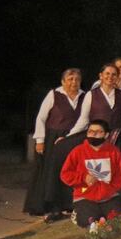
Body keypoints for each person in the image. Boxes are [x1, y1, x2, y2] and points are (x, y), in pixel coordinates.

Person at [25, 68, 84, 219]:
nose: (74, 82)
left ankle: (68, 205)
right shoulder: (54, 95)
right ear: (63, 81)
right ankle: (50, 207)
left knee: (71, 171)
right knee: (52, 173)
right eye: (70, 79)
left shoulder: (84, 96)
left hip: (74, 138)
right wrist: (39, 140)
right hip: (53, 139)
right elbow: (41, 118)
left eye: (77, 79)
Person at [60, 120, 121, 227]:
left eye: (98, 132)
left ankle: (101, 213)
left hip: (109, 195)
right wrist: (83, 177)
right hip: (84, 195)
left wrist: (110, 189)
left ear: (106, 135)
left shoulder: (114, 151)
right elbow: (65, 174)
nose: (93, 134)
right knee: (89, 222)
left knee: (117, 221)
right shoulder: (77, 151)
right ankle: (78, 213)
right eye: (90, 131)